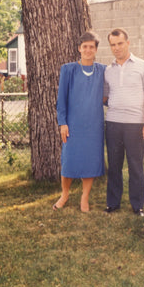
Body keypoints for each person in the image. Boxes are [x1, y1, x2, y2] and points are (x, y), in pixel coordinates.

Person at [103, 28, 144, 217]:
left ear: (128, 43)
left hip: (135, 124)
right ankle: (113, 203)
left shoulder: (143, 66)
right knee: (114, 166)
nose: (116, 48)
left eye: (120, 43)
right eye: (113, 45)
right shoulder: (108, 70)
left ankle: (137, 205)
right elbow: (104, 97)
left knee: (135, 165)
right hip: (113, 123)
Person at [53, 31, 106, 213]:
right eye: (85, 47)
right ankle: (65, 194)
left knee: (90, 160)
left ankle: (85, 197)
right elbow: (61, 99)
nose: (88, 50)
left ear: (96, 49)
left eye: (92, 47)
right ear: (79, 49)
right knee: (69, 160)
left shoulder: (103, 70)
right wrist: (63, 122)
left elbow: (107, 95)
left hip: (94, 124)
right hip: (73, 124)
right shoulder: (68, 69)